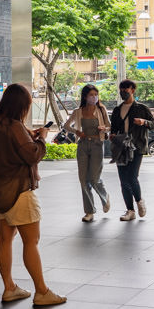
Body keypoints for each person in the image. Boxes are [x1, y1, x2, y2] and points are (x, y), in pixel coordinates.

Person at [0, 83, 65, 307]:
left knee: (5, 239)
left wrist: (29, 134)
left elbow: (7, 148)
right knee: (31, 241)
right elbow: (32, 155)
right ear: (22, 105)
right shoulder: (14, 126)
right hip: (19, 190)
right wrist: (41, 139)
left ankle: (9, 288)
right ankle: (42, 291)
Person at [63, 84, 111, 222]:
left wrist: (104, 128)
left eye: (96, 95)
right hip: (83, 145)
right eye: (91, 95)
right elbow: (66, 125)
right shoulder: (78, 111)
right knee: (83, 179)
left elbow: (109, 126)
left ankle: (105, 197)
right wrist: (76, 132)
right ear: (85, 96)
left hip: (97, 144)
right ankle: (89, 211)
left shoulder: (101, 110)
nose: (94, 97)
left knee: (94, 178)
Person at [109, 79, 154, 221]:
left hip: (137, 146)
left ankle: (139, 201)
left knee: (132, 176)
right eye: (121, 89)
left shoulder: (142, 108)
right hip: (121, 147)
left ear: (133, 90)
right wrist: (112, 135)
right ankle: (130, 210)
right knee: (123, 179)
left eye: (126, 89)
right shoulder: (117, 110)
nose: (123, 91)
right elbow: (114, 129)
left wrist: (144, 122)